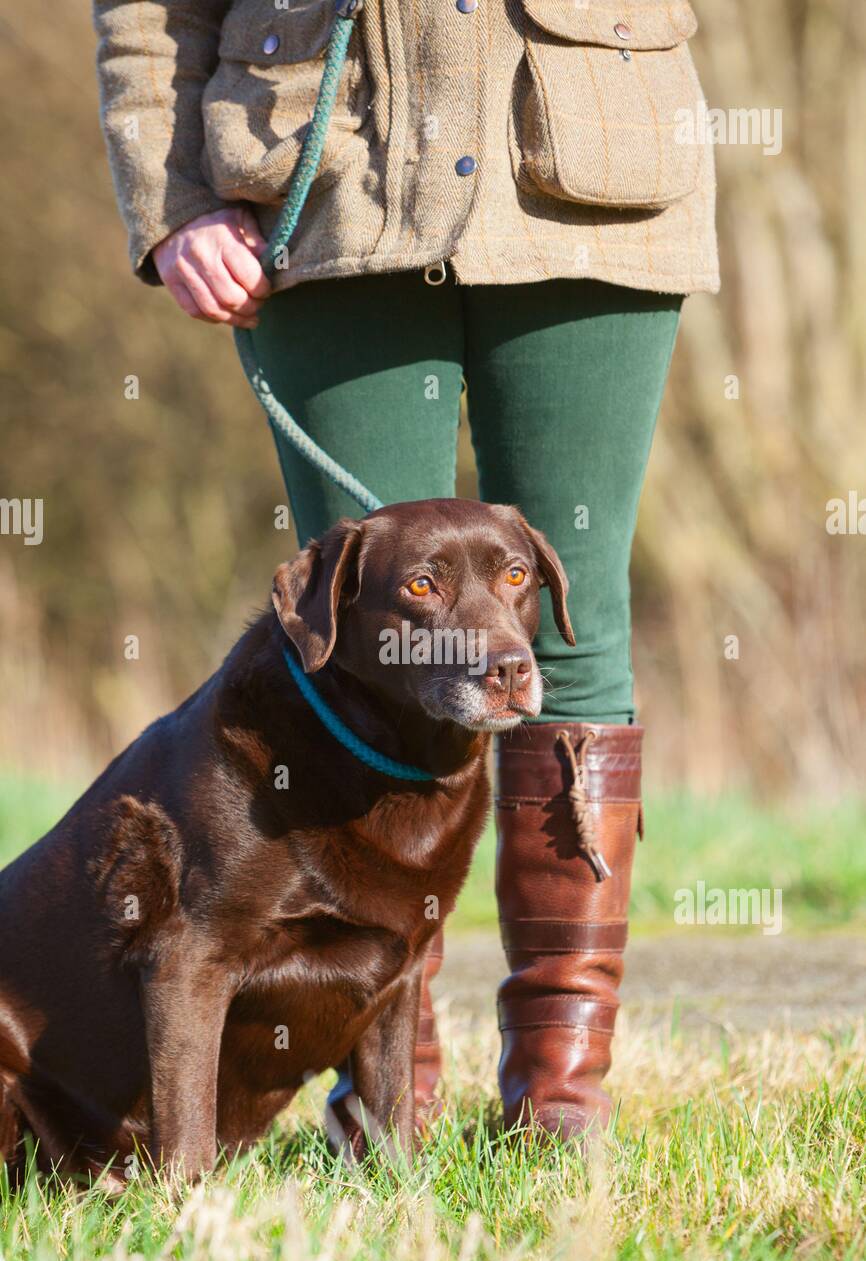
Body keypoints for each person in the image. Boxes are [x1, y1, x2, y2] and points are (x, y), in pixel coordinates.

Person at [93, 0, 718, 1142]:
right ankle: (386, 1107)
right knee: (358, 641)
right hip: (322, 171)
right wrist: (170, 195)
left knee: (568, 629)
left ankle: (558, 1098)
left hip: (597, 150)